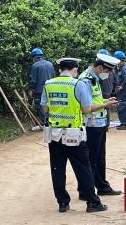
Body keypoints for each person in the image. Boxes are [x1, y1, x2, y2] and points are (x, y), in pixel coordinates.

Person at [40, 57, 109, 213]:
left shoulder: (49, 84)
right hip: (74, 135)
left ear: (60, 69)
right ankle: (93, 202)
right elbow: (86, 109)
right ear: (75, 69)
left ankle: (63, 203)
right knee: (83, 168)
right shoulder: (77, 84)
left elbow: (45, 108)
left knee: (57, 169)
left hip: (55, 134)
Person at [79, 53, 121, 196]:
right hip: (91, 125)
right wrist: (105, 105)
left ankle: (102, 187)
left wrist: (106, 101)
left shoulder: (94, 79)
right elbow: (86, 106)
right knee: (91, 159)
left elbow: (94, 100)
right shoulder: (85, 80)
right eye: (107, 71)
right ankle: (85, 190)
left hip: (99, 123)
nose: (108, 74)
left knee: (99, 157)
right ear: (100, 68)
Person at [29, 48, 55, 124]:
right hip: (50, 89)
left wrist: (30, 89)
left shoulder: (35, 65)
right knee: (50, 106)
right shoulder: (50, 64)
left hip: (39, 90)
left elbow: (33, 80)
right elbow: (53, 76)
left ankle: (45, 123)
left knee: (40, 107)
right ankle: (51, 121)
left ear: (34, 57)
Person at [112, 50, 126, 130]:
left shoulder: (124, 68)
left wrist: (122, 86)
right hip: (120, 92)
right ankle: (123, 123)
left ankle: (124, 124)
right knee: (120, 107)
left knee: (122, 107)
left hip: (123, 92)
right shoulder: (120, 67)